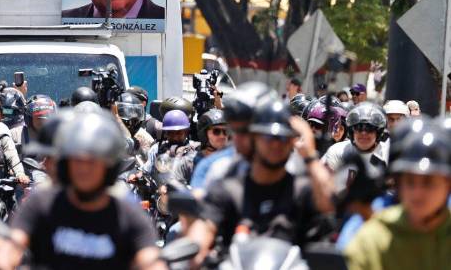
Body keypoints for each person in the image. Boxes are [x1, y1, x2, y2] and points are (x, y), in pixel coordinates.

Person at [0, 110, 163, 270]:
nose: (83, 170)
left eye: (92, 162)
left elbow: (149, 259)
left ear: (109, 167)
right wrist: (2, 260)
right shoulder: (42, 204)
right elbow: (13, 244)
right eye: (77, 161)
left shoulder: (128, 213)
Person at [185, 100, 331, 264]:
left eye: (283, 138)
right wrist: (191, 253)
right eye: (268, 137)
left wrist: (310, 155)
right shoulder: (228, 190)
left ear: (292, 142)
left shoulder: (302, 190)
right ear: (254, 139)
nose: (276, 144)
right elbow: (202, 233)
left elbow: (329, 205)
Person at [344, 126, 451, 270]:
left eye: (428, 182)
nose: (417, 193)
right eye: (410, 182)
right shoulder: (372, 239)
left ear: (447, 184)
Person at [322, 101, 388, 180]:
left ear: (378, 132)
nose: (363, 133)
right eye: (359, 127)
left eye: (369, 128)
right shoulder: (337, 151)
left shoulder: (389, 154)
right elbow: (322, 183)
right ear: (351, 131)